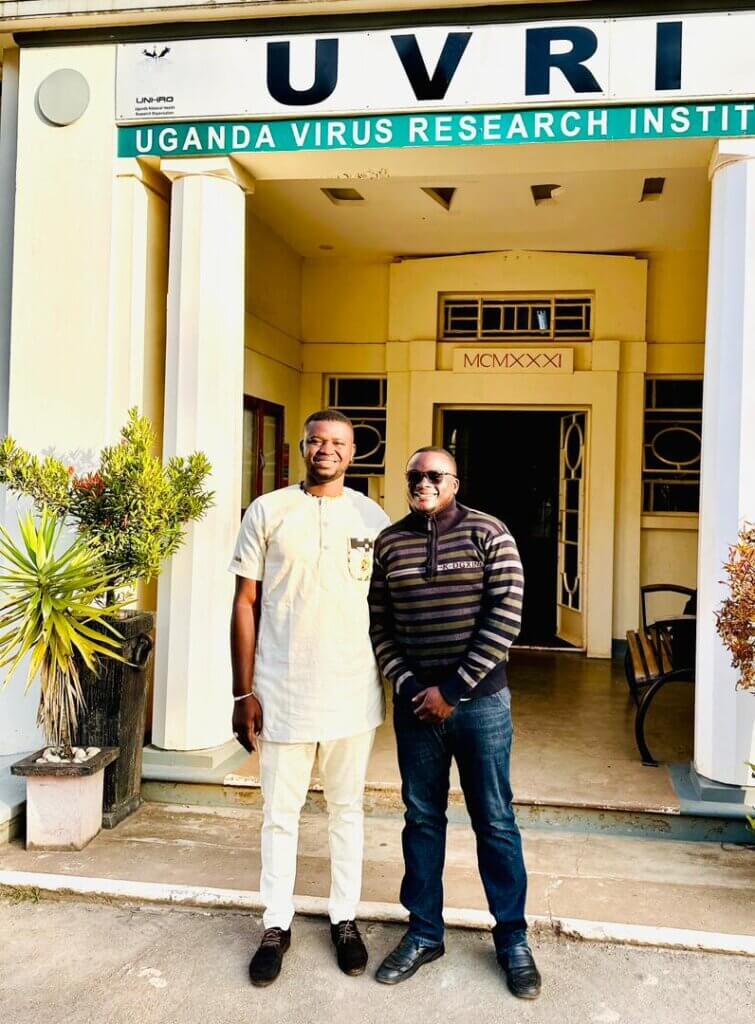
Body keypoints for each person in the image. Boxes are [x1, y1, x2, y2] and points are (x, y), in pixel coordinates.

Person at [368, 446, 540, 999]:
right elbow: (378, 625)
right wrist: (412, 686)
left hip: (481, 705)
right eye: (415, 475)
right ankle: (423, 933)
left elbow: (506, 616)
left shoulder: (491, 533)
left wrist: (454, 689)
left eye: (434, 475)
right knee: (421, 818)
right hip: (418, 707)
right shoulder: (390, 543)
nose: (423, 482)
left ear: (455, 481)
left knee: (494, 820)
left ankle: (512, 938)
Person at [229, 409, 389, 987]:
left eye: (338, 443)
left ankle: (345, 917)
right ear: (302, 447)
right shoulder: (268, 510)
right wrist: (243, 690)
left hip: (353, 691)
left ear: (353, 452)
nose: (327, 449)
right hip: (282, 689)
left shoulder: (374, 517)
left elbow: (387, 608)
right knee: (280, 813)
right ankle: (276, 922)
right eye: (317, 441)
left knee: (348, 810)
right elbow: (245, 602)